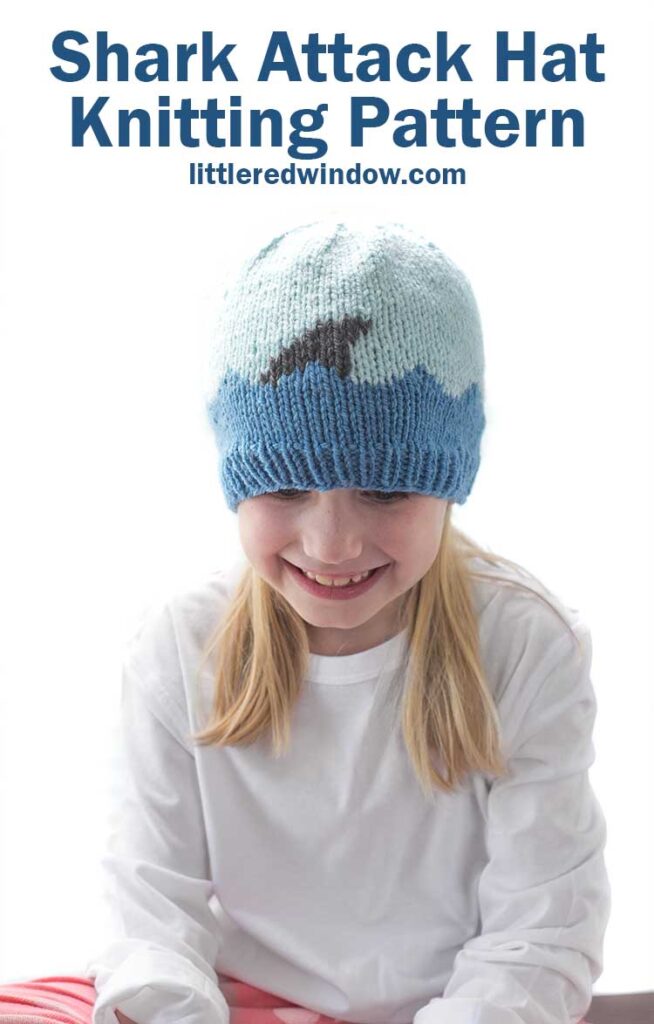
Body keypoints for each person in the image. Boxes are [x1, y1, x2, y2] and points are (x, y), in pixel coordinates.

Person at [0, 220, 606, 1024]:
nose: (332, 544)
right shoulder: (181, 644)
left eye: (385, 493)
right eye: (286, 489)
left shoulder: (525, 645)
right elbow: (147, 908)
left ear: (450, 486)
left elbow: (541, 935)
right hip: (233, 1000)